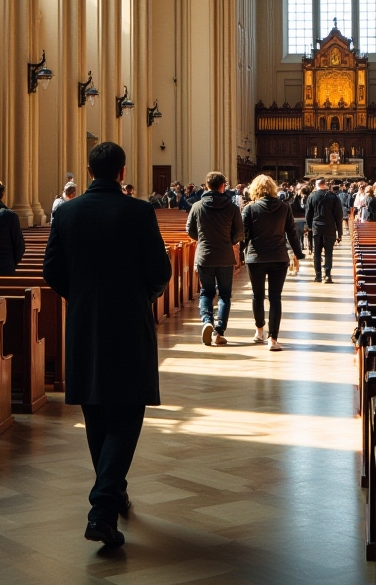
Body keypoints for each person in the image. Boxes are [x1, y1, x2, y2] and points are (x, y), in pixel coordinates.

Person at [42, 140, 172, 547]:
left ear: (89, 170)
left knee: (95, 410)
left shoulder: (68, 212)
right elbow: (160, 271)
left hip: (84, 323)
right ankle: (102, 506)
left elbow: (52, 271)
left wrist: (80, 298)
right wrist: (142, 296)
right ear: (122, 172)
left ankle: (112, 491)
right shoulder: (138, 211)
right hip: (128, 321)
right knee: (128, 411)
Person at [242, 172, 301, 351]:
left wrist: (236, 252)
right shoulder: (284, 207)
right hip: (278, 257)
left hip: (256, 258)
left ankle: (259, 331)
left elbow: (244, 235)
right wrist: (298, 253)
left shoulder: (250, 209)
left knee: (257, 296)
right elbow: (292, 232)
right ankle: (273, 339)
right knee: (275, 298)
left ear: (254, 190)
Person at [186, 170, 243, 345]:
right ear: (222, 186)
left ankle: (207, 322)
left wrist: (201, 239)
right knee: (224, 295)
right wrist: (229, 241)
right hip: (225, 256)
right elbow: (240, 232)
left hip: (205, 256)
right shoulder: (232, 208)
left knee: (206, 293)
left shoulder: (197, 206)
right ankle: (218, 331)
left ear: (206, 186)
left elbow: (190, 230)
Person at [306, 176, 344, 282]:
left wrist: (309, 228)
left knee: (317, 252)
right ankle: (327, 275)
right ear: (325, 184)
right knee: (328, 252)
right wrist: (339, 232)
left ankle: (318, 275)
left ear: (316, 185)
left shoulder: (312, 196)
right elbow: (338, 215)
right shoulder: (333, 196)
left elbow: (308, 214)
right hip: (330, 228)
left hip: (316, 228)